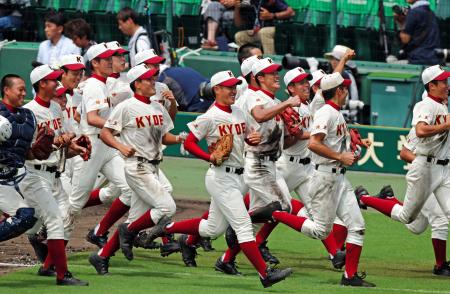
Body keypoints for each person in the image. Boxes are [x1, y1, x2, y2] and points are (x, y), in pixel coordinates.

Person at [140, 70, 294, 288]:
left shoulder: (239, 112)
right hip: (221, 178)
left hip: (239, 177)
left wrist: (252, 139)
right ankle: (265, 274)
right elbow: (191, 142)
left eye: (234, 86)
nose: (233, 90)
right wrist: (208, 156)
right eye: (228, 87)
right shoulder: (210, 116)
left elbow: (246, 140)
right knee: (242, 227)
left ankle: (165, 228)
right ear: (217, 90)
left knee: (212, 229)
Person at [271, 72, 375, 287]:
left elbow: (334, 140)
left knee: (357, 226)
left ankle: (349, 276)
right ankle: (276, 213)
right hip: (324, 177)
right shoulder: (326, 113)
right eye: (344, 88)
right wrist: (340, 156)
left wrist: (353, 141)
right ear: (339, 91)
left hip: (339, 180)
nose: (346, 91)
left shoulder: (335, 112)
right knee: (320, 230)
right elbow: (314, 143)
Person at [88, 63, 181, 274]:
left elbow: (164, 135)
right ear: (137, 84)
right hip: (137, 167)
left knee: (135, 218)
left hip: (153, 166)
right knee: (167, 207)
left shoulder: (157, 106)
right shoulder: (126, 106)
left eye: (153, 78)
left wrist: (180, 138)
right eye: (148, 79)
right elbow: (105, 133)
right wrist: (120, 146)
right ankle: (128, 231)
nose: (153, 82)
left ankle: (101, 256)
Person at [359, 65, 450, 247]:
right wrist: (445, 126)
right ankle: (363, 198)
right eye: (443, 81)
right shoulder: (425, 105)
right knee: (408, 218)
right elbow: (420, 130)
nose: (447, 85)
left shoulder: (442, 108)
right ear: (431, 85)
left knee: (440, 218)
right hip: (425, 168)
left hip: (443, 169)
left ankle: (440, 265)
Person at [20, 64, 89, 286]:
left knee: (58, 218)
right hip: (35, 176)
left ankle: (50, 267)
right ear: (42, 84)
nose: (57, 83)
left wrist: (74, 148)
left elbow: (59, 147)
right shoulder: (28, 112)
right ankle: (62, 275)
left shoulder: (56, 109)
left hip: (55, 176)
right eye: (53, 80)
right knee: (52, 221)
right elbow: (30, 152)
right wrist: (59, 142)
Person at [355, 127, 450, 276]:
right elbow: (404, 153)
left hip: (443, 178)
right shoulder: (425, 124)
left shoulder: (444, 123)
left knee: (416, 226)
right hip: (426, 176)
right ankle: (441, 265)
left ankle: (379, 199)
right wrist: (427, 163)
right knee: (440, 219)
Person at [0, 74, 38, 242]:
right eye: (20, 89)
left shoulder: (28, 117)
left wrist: (51, 146)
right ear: (6, 90)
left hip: (13, 178)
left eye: (25, 89)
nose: (24, 93)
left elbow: (29, 152)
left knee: (27, 216)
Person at [394, 0, 440, 65]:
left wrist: (400, 23)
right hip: (433, 58)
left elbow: (405, 39)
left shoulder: (414, 12)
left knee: (391, 61)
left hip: (417, 58)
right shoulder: (431, 13)